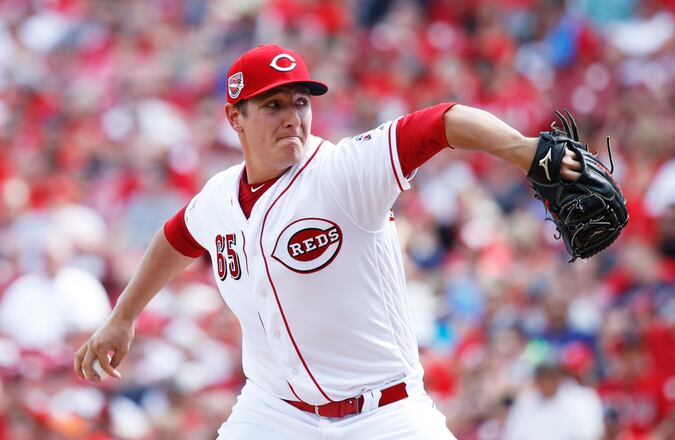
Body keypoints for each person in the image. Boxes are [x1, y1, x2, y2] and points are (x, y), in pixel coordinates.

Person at [73, 44, 583, 439]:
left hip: (383, 412)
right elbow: (176, 238)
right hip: (274, 411)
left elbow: (441, 121)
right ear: (235, 118)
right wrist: (123, 316)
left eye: (300, 102)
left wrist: (521, 149)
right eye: (272, 105)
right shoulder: (218, 198)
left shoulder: (343, 171)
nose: (293, 116)